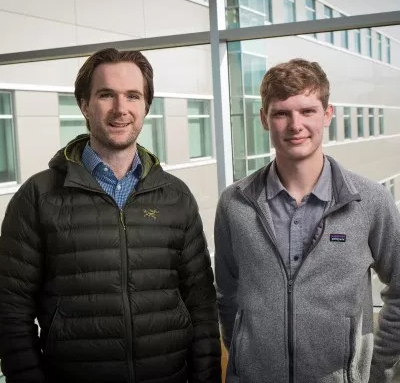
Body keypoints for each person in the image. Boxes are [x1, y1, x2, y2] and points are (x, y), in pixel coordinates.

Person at [0, 48, 221, 383]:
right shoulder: (38, 197)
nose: (121, 109)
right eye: (106, 95)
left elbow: (202, 307)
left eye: (133, 96)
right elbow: (10, 313)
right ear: (84, 105)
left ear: (146, 106)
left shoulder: (176, 197)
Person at [214, 58, 400, 383]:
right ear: (264, 119)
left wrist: (375, 368)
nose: (295, 125)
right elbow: (227, 294)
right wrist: (243, 361)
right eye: (281, 113)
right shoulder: (234, 203)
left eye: (307, 111)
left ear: (327, 114)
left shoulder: (371, 201)